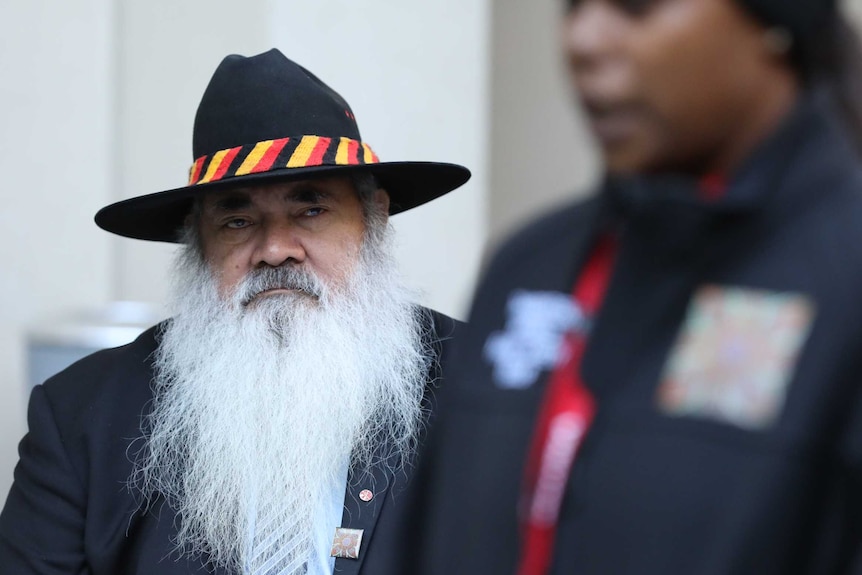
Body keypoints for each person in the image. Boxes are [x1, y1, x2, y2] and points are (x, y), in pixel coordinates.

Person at [415, 1, 862, 574]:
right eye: (573, 6)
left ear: (776, 24)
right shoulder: (527, 270)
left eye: (636, 6)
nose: (585, 39)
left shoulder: (844, 275)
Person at [0, 48, 470, 575]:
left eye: (310, 209)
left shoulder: (484, 386)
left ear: (373, 218)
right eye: (237, 221)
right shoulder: (80, 417)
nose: (274, 249)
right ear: (198, 242)